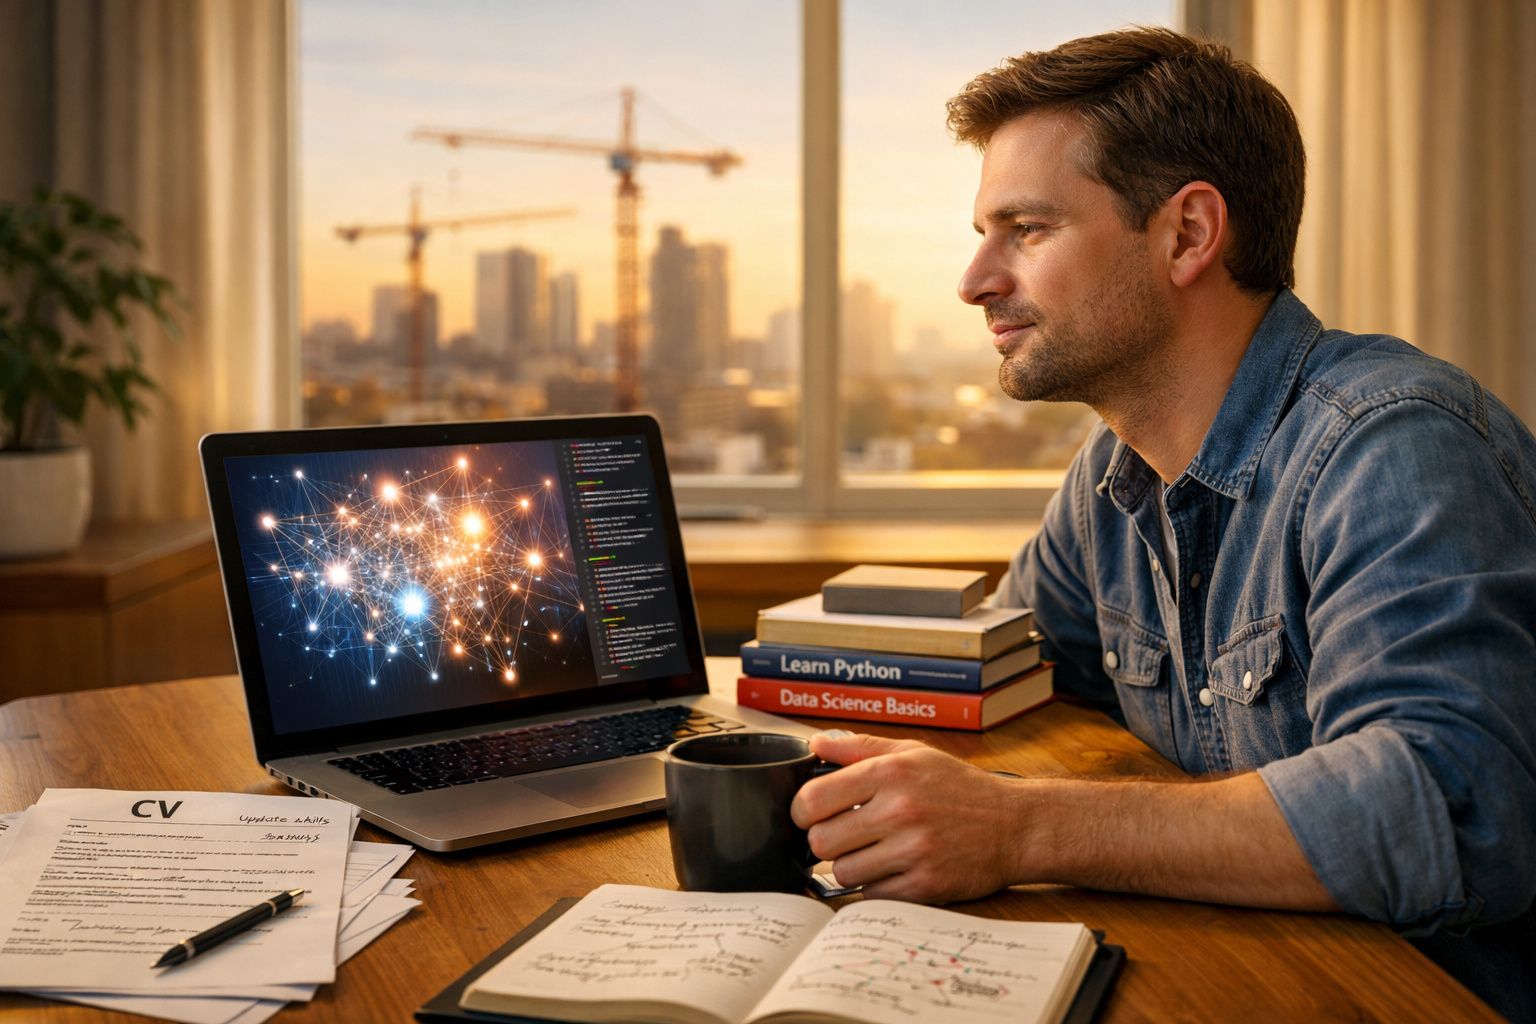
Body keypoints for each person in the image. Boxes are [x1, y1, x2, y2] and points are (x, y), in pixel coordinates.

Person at [790, 27, 1536, 1018]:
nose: (975, 280)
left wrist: (1024, 829)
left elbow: (1449, 809)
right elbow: (1015, 678)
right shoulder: (1111, 473)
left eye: (1028, 229)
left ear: (1188, 234)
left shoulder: (1393, 445)